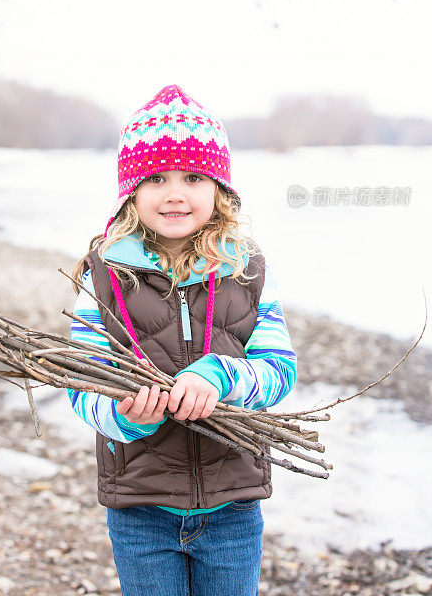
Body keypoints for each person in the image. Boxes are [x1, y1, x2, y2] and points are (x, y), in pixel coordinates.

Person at [66, 84, 298, 596]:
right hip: (141, 507)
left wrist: (222, 374)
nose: (175, 193)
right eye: (156, 178)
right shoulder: (104, 277)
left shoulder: (249, 269)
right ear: (132, 191)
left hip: (233, 504)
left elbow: (280, 371)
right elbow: (81, 387)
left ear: (220, 189)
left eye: (193, 177)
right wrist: (123, 414)